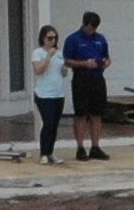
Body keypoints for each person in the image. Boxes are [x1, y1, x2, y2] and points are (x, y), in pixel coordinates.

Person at [60, 11, 111, 161]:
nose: (92, 30)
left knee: (97, 114)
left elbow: (107, 57)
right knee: (81, 114)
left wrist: (106, 63)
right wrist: (83, 63)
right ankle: (80, 147)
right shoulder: (73, 39)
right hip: (81, 78)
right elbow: (66, 61)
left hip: (97, 78)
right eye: (90, 27)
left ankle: (95, 146)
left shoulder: (100, 39)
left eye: (95, 28)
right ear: (84, 24)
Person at [26, 24, 66, 163]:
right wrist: (48, 56)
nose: (52, 41)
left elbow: (62, 72)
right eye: (49, 38)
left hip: (58, 94)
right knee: (48, 122)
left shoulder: (59, 53)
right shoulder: (38, 53)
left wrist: (65, 68)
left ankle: (50, 153)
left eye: (55, 38)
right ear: (43, 38)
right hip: (44, 94)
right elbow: (38, 70)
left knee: (55, 124)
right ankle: (44, 153)